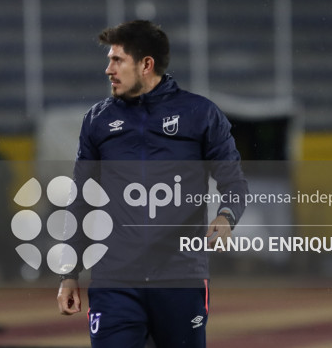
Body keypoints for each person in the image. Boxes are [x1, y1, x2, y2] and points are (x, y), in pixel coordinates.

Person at [57, 20, 248, 348]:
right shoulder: (97, 120)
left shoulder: (200, 114)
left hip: (180, 277)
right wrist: (70, 272)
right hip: (114, 279)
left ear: (146, 64)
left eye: (117, 60)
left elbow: (234, 183)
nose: (108, 69)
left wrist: (226, 216)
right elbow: (80, 201)